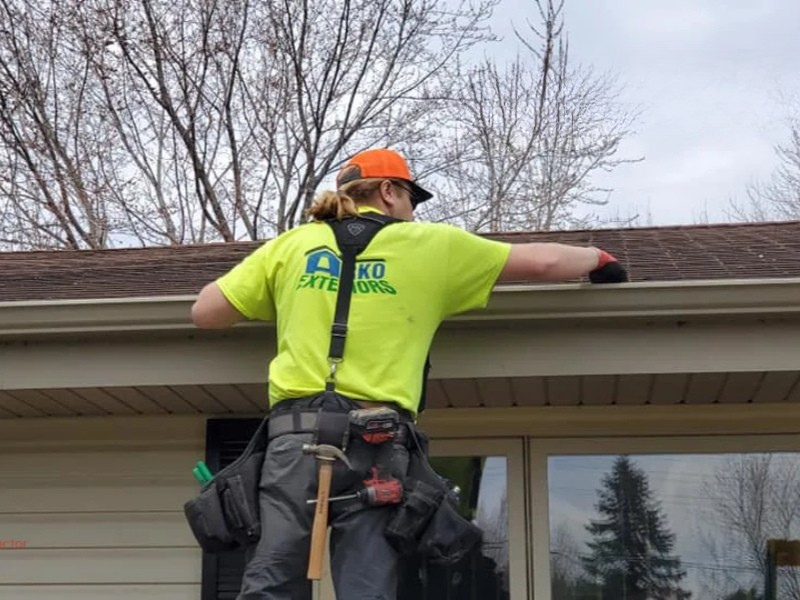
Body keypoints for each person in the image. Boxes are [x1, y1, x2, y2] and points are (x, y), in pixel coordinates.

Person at [191, 148, 628, 600]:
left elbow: (205, 312)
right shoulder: (430, 246)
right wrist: (598, 257)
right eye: (411, 199)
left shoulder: (290, 247)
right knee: (367, 587)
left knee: (272, 583)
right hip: (376, 444)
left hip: (293, 443)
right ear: (388, 192)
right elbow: (542, 263)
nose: (414, 211)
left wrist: (288, 294)